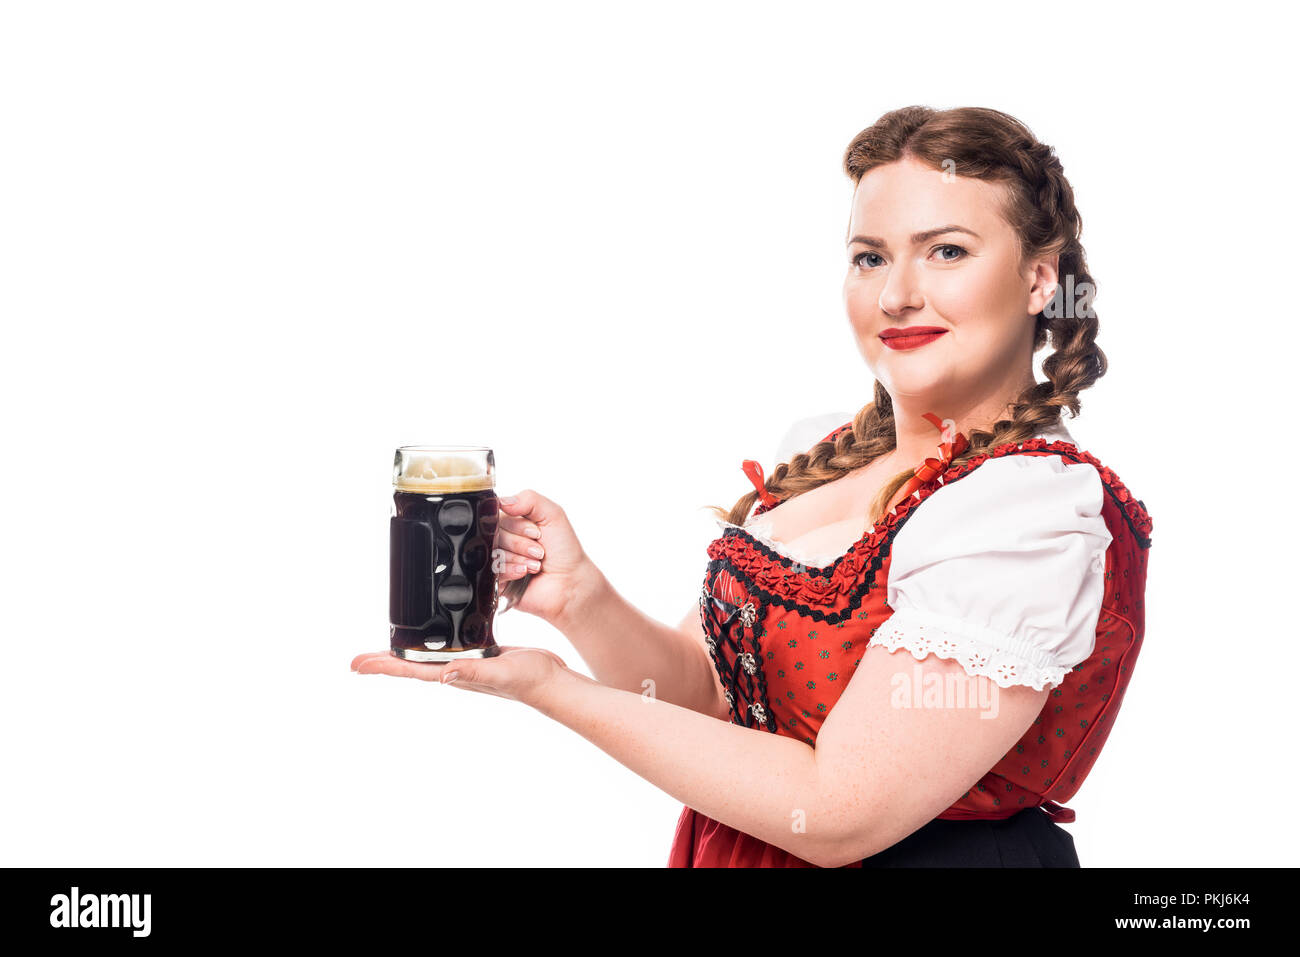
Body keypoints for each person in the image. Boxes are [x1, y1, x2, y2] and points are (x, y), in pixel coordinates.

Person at [351, 105, 1153, 868]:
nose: (895, 295)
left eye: (946, 251)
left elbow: (839, 812)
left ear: (1041, 278)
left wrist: (549, 689)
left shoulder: (1024, 514)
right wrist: (579, 599)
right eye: (871, 256)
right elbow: (701, 695)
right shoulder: (826, 453)